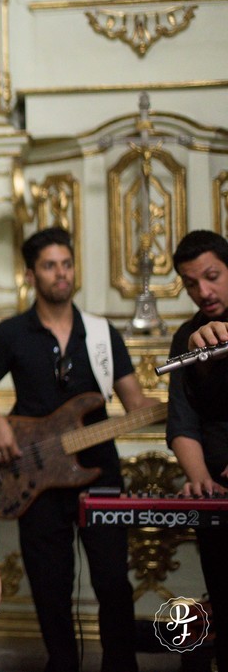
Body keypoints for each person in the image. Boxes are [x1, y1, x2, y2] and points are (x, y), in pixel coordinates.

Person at [0, 227, 155, 672]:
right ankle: (62, 663)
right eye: (50, 265)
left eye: (67, 264)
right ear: (31, 274)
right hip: (33, 475)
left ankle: (120, 664)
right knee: (50, 584)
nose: (61, 273)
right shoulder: (10, 332)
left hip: (99, 472)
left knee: (113, 579)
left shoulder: (100, 333)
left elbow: (135, 405)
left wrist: (178, 401)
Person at [165, 229, 228, 672]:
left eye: (212, 277)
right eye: (191, 283)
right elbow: (182, 420)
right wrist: (201, 478)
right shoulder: (187, 338)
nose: (202, 292)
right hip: (219, 495)